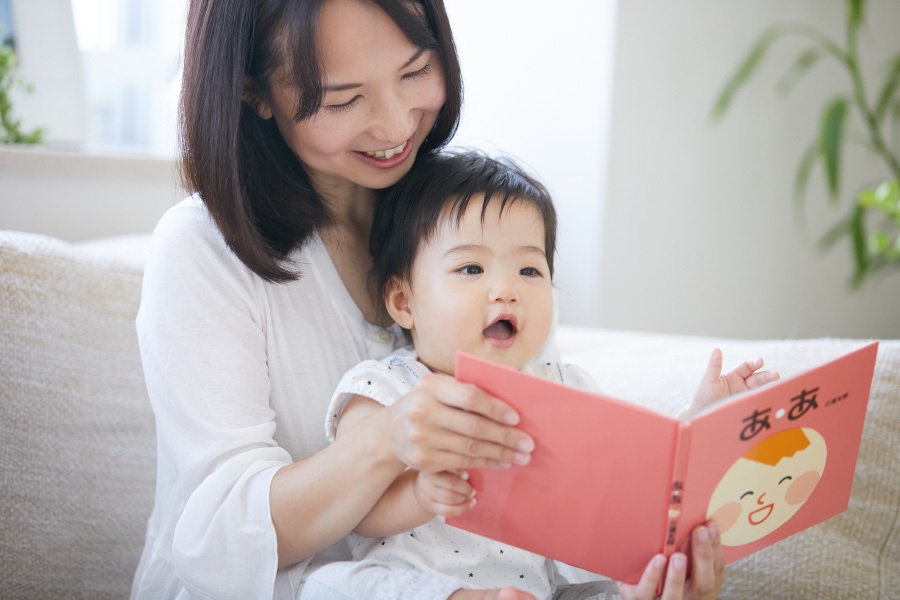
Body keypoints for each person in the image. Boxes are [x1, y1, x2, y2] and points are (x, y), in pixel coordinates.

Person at [130, 0, 741, 598]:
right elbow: (214, 546)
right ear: (254, 93)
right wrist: (385, 440)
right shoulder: (203, 251)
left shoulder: (469, 221)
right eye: (344, 98)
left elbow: (564, 504)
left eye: (416, 71)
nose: (397, 126)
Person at [324, 150, 780, 600]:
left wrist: (699, 421)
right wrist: (419, 497)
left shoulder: (566, 387)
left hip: (537, 591)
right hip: (414, 581)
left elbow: (634, 473)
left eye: (529, 269)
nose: (507, 290)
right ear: (404, 302)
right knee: (333, 586)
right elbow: (351, 509)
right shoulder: (384, 388)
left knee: (625, 586)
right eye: (471, 268)